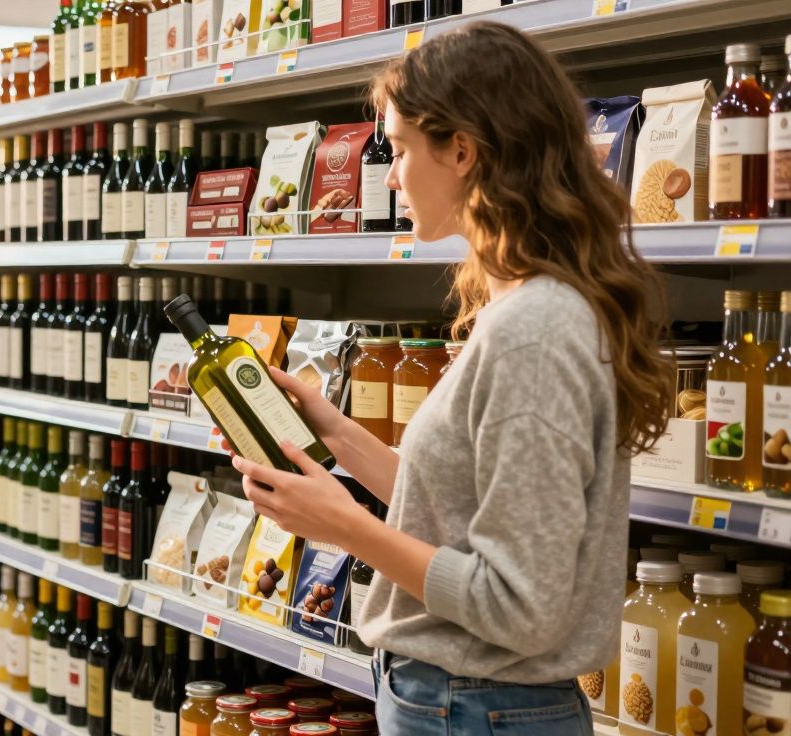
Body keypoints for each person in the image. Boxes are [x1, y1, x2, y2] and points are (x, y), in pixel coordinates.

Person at [229, 21, 672, 735]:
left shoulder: (537, 328)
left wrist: (341, 525)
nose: (392, 173)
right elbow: (463, 509)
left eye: (400, 149)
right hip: (468, 702)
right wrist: (340, 436)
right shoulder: (527, 307)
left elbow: (516, 605)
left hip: (476, 707)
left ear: (462, 150)